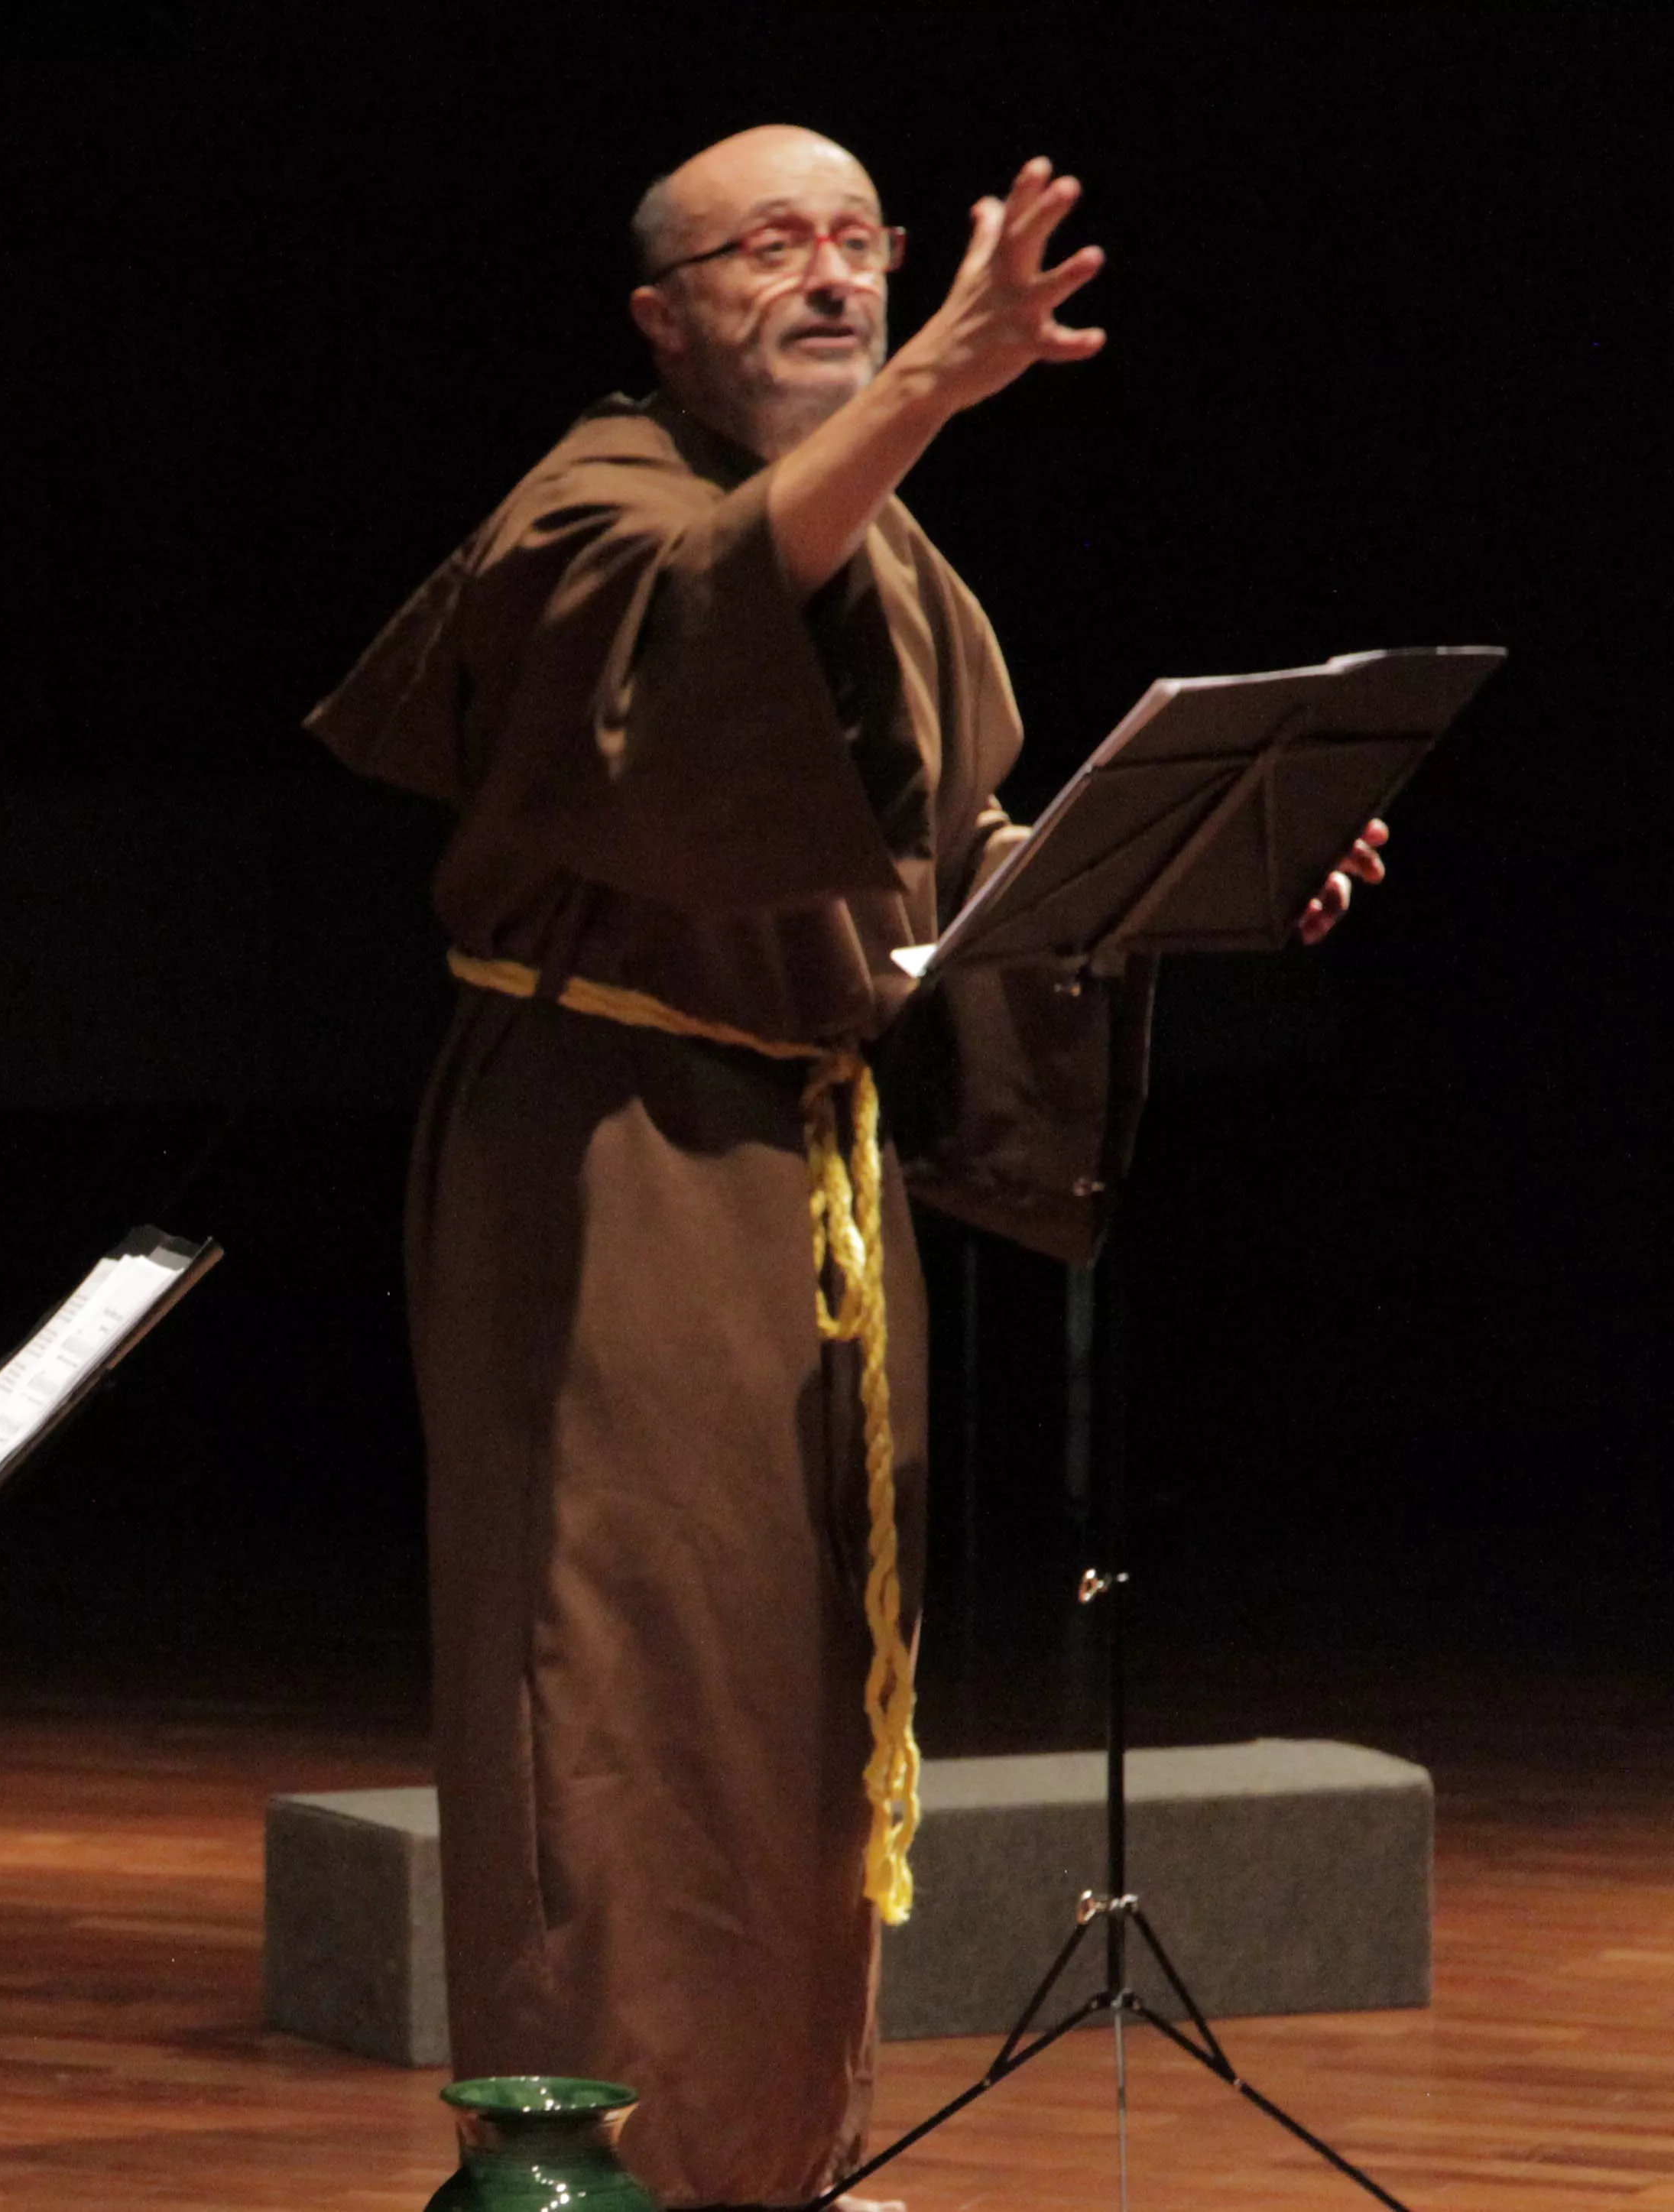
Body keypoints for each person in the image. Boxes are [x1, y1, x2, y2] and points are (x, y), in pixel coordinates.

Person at [307, 129, 1381, 2208]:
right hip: (613, 1168)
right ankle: (603, 2173)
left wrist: (1215, 871)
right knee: (620, 1697)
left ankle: (775, 2159)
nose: (828, 279)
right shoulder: (596, 504)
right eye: (766, 246)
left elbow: (948, 874)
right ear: (661, 315)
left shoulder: (885, 549)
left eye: (858, 243)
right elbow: (679, 652)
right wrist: (933, 385)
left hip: (803, 1169)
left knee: (795, 1721)